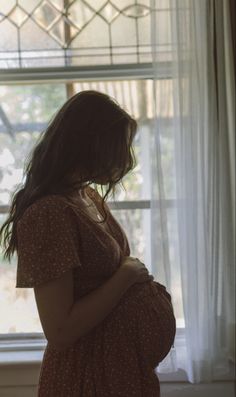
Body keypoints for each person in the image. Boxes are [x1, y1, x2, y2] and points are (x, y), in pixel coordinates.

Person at [0, 90, 176, 396]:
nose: (127, 161)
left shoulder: (84, 195)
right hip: (86, 377)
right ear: (91, 145)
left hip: (118, 370)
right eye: (119, 148)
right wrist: (127, 276)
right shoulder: (49, 213)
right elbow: (60, 330)